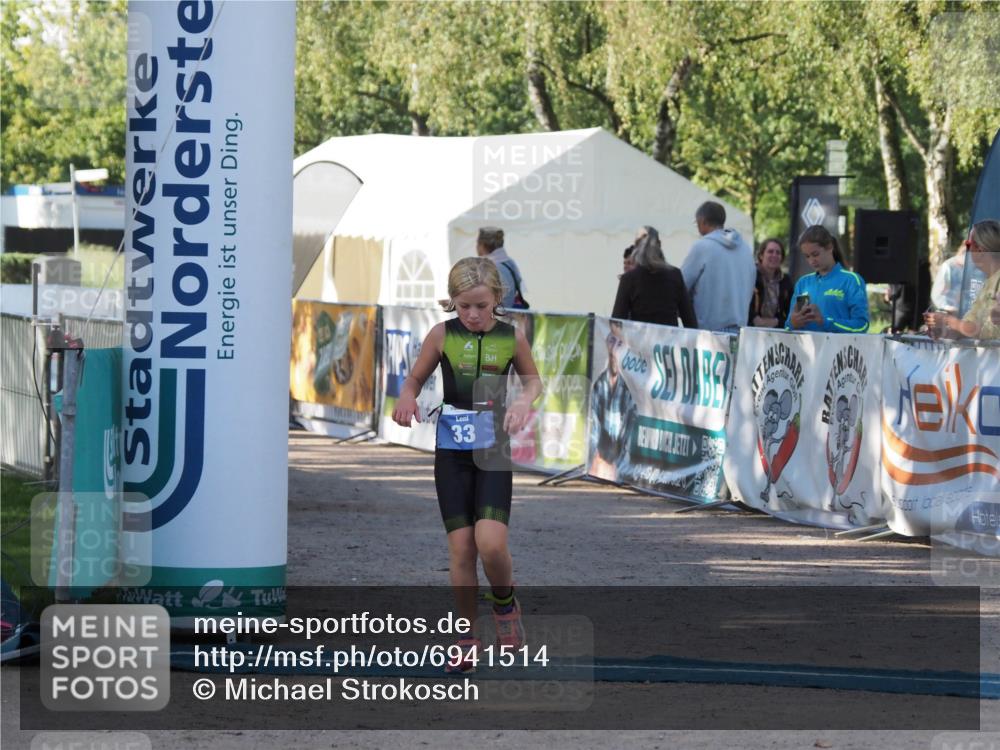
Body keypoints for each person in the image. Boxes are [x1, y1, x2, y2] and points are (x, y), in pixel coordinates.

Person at [391, 257, 542, 673]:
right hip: (452, 454)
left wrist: (524, 402)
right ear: (452, 303)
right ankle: (466, 638)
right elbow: (414, 379)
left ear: (498, 298)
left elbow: (532, 380)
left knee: (491, 543)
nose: (473, 315)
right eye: (464, 307)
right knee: (460, 548)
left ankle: (506, 605)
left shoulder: (513, 337)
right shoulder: (442, 335)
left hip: (492, 450)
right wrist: (406, 397)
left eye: (480, 305)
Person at [681, 201, 757, 332]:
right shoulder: (745, 249)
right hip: (740, 329)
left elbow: (681, 285)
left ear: (702, 221)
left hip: (709, 333)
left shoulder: (702, 247)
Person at [924, 220, 1000, 340]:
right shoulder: (988, 283)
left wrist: (947, 320)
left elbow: (983, 330)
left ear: (980, 250)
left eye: (968, 245)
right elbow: (969, 328)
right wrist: (944, 332)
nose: (966, 250)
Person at [786, 225, 870, 334]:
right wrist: (793, 323)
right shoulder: (803, 283)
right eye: (807, 256)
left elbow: (862, 326)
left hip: (839, 349)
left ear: (830, 247)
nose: (811, 261)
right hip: (806, 350)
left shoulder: (851, 280)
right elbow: (788, 326)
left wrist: (825, 321)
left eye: (815, 254)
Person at [612, 226, 697, 327]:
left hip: (638, 341)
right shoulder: (675, 275)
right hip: (669, 341)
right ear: (659, 244)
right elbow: (690, 321)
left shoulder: (629, 279)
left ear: (636, 247)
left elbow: (616, 323)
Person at [587, 321, 637, 482]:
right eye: (611, 340)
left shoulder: (632, 389)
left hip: (619, 467)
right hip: (600, 464)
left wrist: (617, 468)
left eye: (620, 343)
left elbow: (629, 438)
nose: (614, 348)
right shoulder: (600, 384)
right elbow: (593, 432)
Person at [930, 239, 987, 316]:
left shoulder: (981, 269)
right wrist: (949, 308)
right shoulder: (949, 267)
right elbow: (938, 295)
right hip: (953, 315)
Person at [476, 226, 528, 309]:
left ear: (482, 245)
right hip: (510, 315)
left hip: (498, 316)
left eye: (477, 243)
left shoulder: (489, 268)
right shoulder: (509, 262)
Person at [748, 237, 794, 328]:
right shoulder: (750, 275)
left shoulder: (786, 280)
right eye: (770, 251)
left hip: (776, 332)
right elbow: (741, 303)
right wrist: (754, 319)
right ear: (761, 255)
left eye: (778, 253)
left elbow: (791, 310)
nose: (774, 255)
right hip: (749, 329)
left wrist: (777, 322)